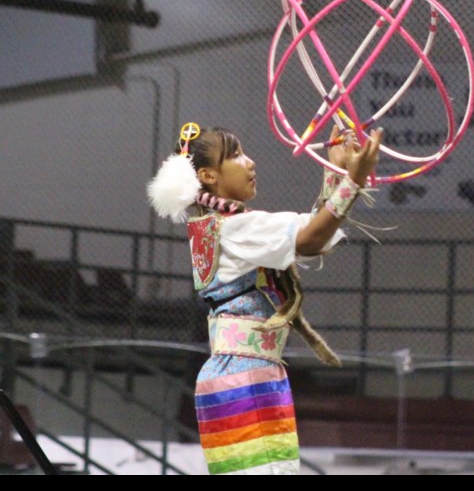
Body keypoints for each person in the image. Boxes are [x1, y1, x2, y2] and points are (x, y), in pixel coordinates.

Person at [147, 121, 382, 475]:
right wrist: (352, 181)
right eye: (236, 155)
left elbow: (311, 231)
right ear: (209, 175)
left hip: (239, 375)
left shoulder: (214, 225)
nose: (250, 162)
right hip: (245, 377)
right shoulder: (235, 228)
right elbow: (308, 240)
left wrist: (337, 175)